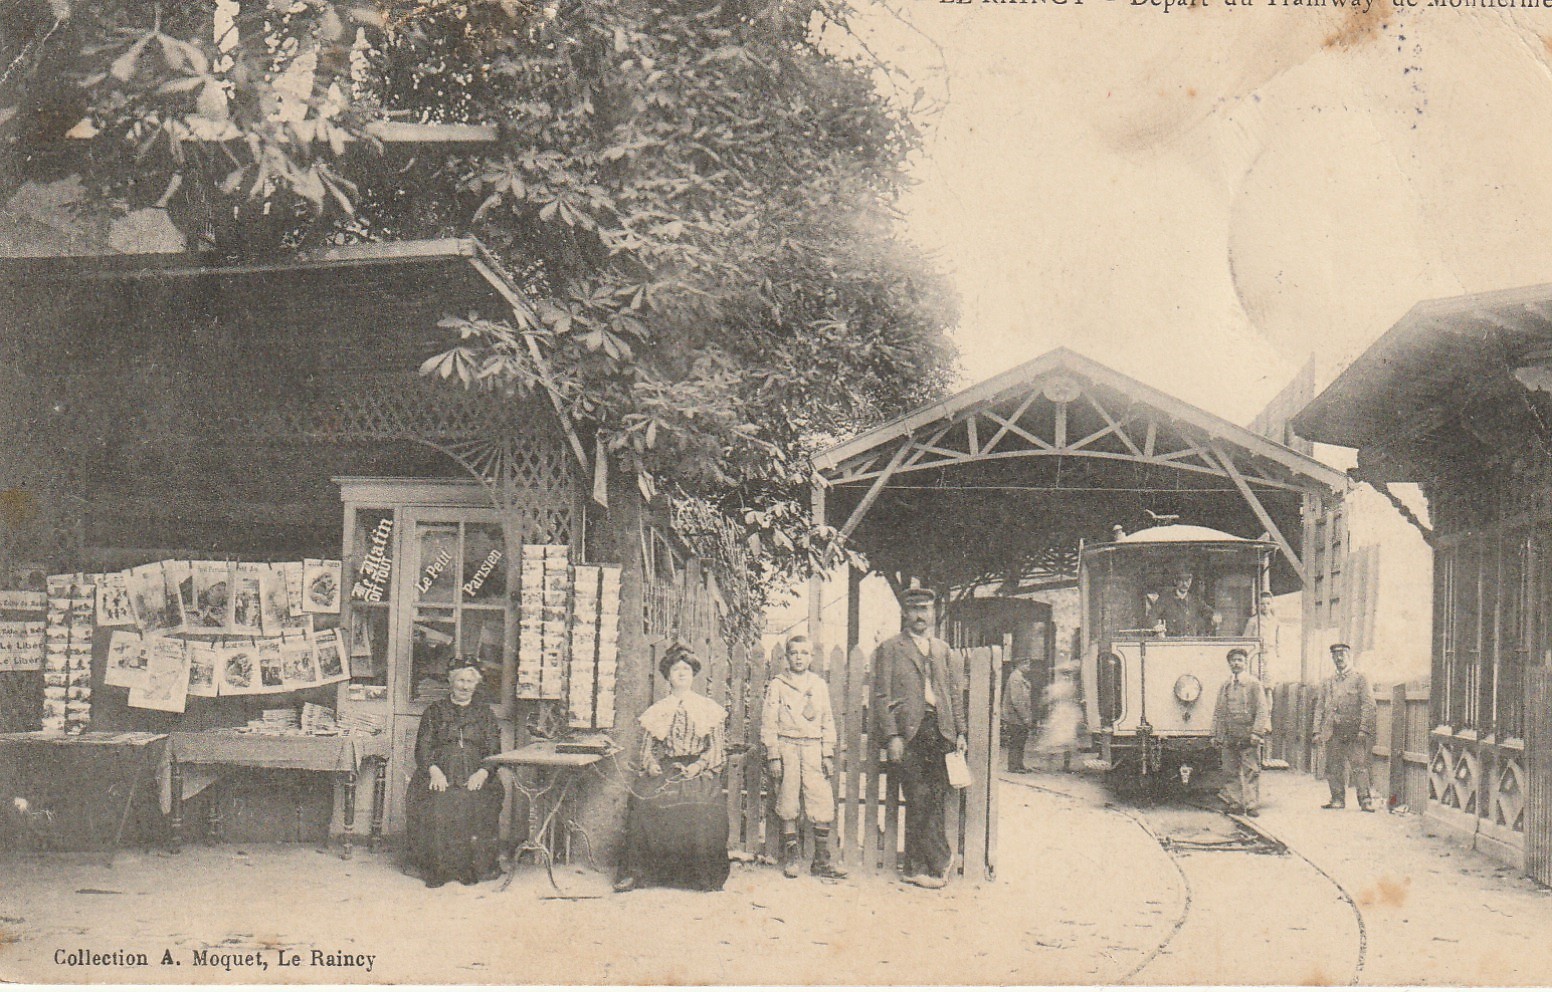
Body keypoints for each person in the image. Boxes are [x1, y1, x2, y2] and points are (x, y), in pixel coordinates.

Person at [614, 643, 730, 892]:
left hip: (697, 767)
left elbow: (718, 749)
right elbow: (646, 749)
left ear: (693, 674)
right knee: (644, 800)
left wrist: (699, 766)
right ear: (668, 675)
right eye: (676, 669)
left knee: (701, 804)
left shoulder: (708, 708)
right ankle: (637, 873)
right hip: (666, 767)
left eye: (686, 669)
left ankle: (701, 875)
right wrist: (652, 765)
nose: (681, 673)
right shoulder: (658, 710)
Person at [873, 587, 966, 890]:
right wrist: (892, 736)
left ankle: (915, 867)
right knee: (917, 795)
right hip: (909, 733)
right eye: (913, 609)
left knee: (934, 797)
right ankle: (941, 860)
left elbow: (953, 693)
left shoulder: (942, 650)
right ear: (904, 613)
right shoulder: (891, 648)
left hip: (939, 730)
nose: (920, 616)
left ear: (934, 613)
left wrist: (960, 731)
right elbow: (881, 695)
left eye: (925, 609)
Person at [404, 662, 507, 888]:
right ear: (451, 682)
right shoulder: (434, 711)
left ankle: (468, 869)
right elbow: (423, 747)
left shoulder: (484, 714)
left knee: (476, 803)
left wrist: (482, 772)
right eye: (460, 680)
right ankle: (439, 870)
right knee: (438, 803)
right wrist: (433, 770)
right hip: (440, 772)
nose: (465, 686)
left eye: (470, 681)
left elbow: (493, 748)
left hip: (474, 772)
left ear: (476, 685)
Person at [762, 635, 847, 879]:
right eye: (794, 653)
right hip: (787, 746)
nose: (799, 657)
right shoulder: (778, 684)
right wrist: (773, 755)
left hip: (813, 748)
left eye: (804, 653)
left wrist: (827, 752)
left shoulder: (818, 685)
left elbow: (827, 720)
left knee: (820, 799)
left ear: (811, 657)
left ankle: (821, 859)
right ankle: (792, 856)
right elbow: (769, 721)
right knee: (788, 800)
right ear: (787, 657)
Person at [1314, 642, 1378, 811]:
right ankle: (1337, 799)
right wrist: (1316, 730)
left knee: (1359, 766)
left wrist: (1364, 728)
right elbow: (1320, 707)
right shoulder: (1328, 682)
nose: (1339, 658)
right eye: (1335, 655)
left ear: (1350, 656)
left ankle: (1365, 800)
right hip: (1332, 730)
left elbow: (1368, 705)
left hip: (1354, 731)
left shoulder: (1360, 678)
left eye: (1342, 654)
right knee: (1333, 765)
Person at [1211, 646, 1271, 816]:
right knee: (1230, 771)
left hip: (1248, 734)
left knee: (1251, 770)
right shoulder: (1226, 685)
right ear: (1229, 663)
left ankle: (1251, 805)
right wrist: (1216, 734)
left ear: (1245, 663)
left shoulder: (1253, 684)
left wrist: (1256, 732)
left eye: (1240, 660)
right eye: (1233, 660)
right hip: (1230, 734)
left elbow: (1262, 710)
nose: (1236, 663)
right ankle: (1235, 803)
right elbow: (1219, 711)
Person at [1146, 568, 1220, 637]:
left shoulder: (1195, 600)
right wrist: (1156, 626)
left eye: (1188, 580)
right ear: (1175, 581)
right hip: (1172, 643)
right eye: (1181, 580)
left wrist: (1215, 617)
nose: (1185, 584)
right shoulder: (1165, 599)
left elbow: (1209, 612)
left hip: (1191, 643)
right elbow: (1151, 615)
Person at [1002, 658, 1035, 773]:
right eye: (1027, 664)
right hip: (1015, 717)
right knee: (1016, 741)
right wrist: (1025, 717)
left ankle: (1019, 765)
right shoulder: (1016, 678)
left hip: (1018, 717)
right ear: (1020, 664)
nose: (1029, 667)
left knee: (1020, 741)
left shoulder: (1019, 677)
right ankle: (1013, 766)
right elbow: (1017, 700)